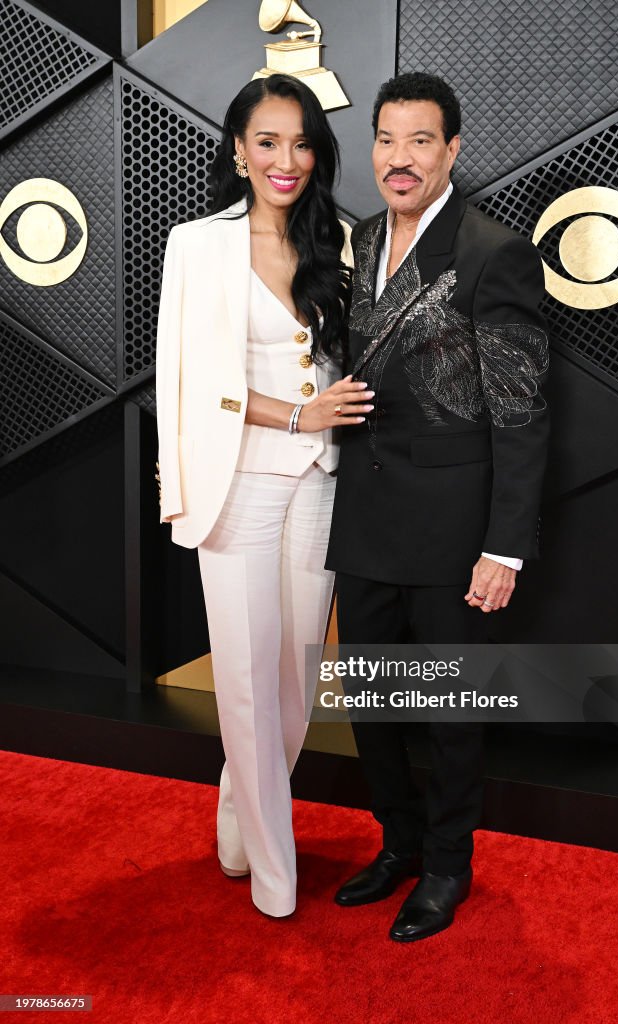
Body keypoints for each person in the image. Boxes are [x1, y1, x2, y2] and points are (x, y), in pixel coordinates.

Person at [325, 72, 550, 941]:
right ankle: (399, 844)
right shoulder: (361, 241)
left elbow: (522, 410)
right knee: (371, 701)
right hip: (364, 517)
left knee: (451, 712)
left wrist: (506, 547)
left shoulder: (493, 251)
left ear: (451, 149)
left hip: (454, 528)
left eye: (420, 140)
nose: (399, 158)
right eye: (386, 140)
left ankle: (448, 868)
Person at [154, 73, 372, 918]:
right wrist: (297, 416)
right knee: (244, 680)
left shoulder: (340, 241)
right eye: (269, 141)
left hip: (319, 482)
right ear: (239, 150)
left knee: (295, 683)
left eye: (302, 142)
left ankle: (240, 816)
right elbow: (184, 380)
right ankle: (276, 876)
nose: (287, 160)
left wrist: (326, 417)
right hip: (236, 483)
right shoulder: (196, 244)